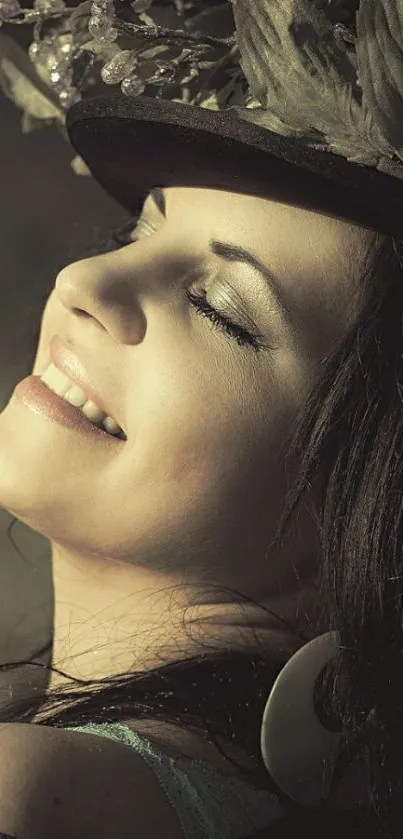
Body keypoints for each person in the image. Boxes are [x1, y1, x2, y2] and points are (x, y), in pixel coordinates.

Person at [0, 0, 402, 837]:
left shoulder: (30, 795)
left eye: (218, 307)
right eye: (134, 232)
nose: (85, 284)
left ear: (369, 505)